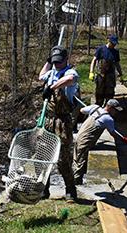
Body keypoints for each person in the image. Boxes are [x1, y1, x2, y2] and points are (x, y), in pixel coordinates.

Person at [39, 45, 79, 202]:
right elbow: (41, 75)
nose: (56, 65)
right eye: (55, 62)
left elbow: (70, 80)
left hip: (62, 122)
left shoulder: (70, 72)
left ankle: (70, 190)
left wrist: (52, 87)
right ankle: (44, 190)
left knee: (63, 159)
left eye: (59, 62)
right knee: (43, 156)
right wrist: (48, 62)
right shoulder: (51, 72)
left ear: (66, 60)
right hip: (48, 119)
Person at [72, 99, 127, 185]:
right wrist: (123, 139)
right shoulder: (108, 119)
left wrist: (92, 112)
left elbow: (82, 110)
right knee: (80, 162)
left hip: (78, 137)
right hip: (85, 141)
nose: (116, 112)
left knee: (76, 159)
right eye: (115, 110)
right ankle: (75, 183)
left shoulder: (95, 108)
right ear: (110, 108)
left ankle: (76, 180)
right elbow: (113, 133)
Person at [89, 34, 123, 106]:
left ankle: (108, 108)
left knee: (110, 93)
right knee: (99, 92)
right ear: (108, 41)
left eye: (115, 44)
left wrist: (120, 73)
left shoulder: (116, 52)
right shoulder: (101, 49)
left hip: (110, 76)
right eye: (112, 43)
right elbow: (94, 60)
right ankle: (98, 106)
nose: (114, 45)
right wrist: (91, 72)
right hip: (101, 74)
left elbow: (117, 64)